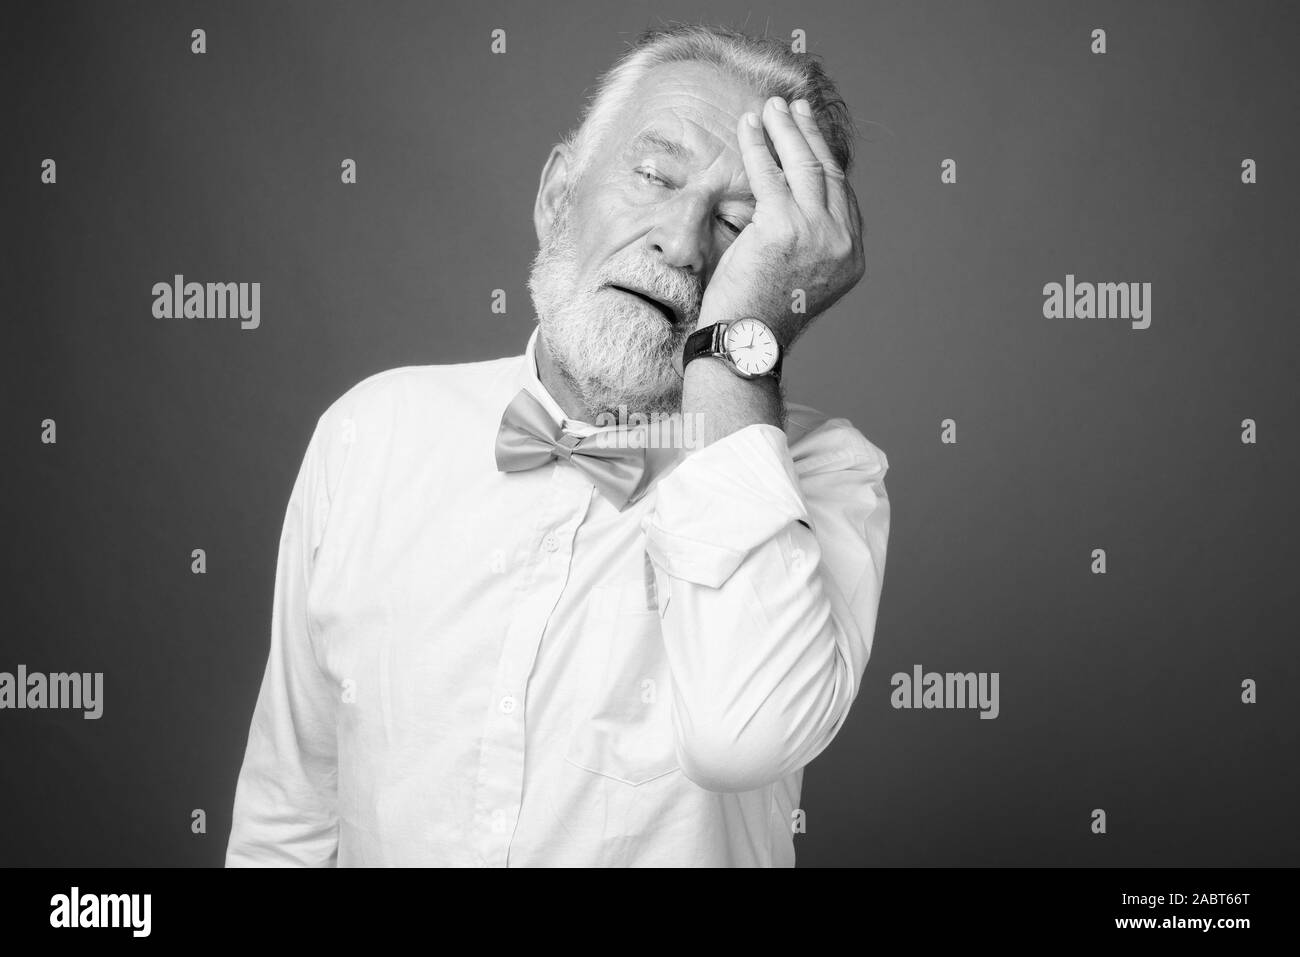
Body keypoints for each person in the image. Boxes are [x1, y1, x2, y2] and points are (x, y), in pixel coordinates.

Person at [227, 22, 890, 867]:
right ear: (556, 197)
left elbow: (742, 737)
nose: (682, 244)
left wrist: (740, 337)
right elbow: (290, 811)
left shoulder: (830, 475)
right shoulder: (369, 433)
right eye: (653, 175)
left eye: (739, 226)